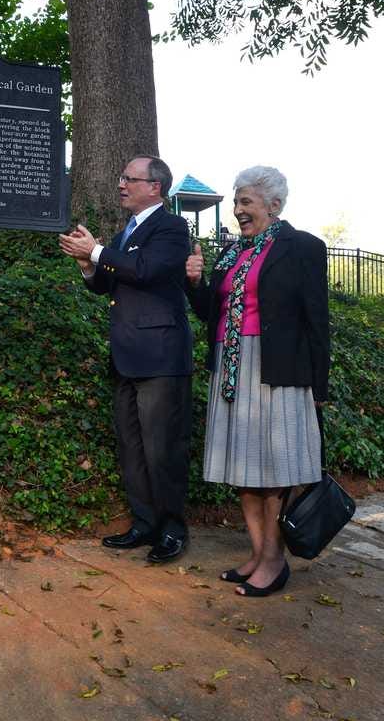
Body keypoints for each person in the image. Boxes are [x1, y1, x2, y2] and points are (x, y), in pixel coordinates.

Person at [185, 166, 328, 597]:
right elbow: (213, 314)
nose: (237, 211)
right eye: (236, 203)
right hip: (233, 370)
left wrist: (319, 389)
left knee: (275, 472)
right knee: (245, 470)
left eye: (246, 202)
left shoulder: (302, 247)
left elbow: (316, 322)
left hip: (278, 371)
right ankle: (257, 551)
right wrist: (194, 283)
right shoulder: (233, 254)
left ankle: (274, 560)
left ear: (274, 205)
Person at [59, 155, 193, 563]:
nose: (121, 184)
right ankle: (144, 523)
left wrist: (98, 249)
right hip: (126, 356)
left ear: (155, 187)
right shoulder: (124, 234)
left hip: (160, 356)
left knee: (162, 447)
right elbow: (106, 284)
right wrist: (87, 263)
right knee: (132, 446)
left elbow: (147, 270)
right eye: (121, 178)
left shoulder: (171, 227)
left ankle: (172, 529)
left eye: (129, 179)